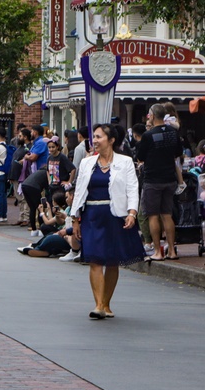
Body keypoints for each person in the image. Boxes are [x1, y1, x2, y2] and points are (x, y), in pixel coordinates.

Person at [71, 124, 143, 319]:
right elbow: (79, 191)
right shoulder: (87, 163)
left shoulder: (126, 162)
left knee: (112, 260)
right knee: (94, 258)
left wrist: (132, 213)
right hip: (92, 215)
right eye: (94, 137)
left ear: (111, 140)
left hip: (115, 215)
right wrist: (75, 218)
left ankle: (106, 303)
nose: (95, 140)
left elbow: (132, 189)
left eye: (99, 137)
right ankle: (98, 305)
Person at [137, 104, 184, 260]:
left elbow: (141, 156)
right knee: (167, 214)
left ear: (152, 116)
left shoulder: (148, 135)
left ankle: (158, 251)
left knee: (152, 215)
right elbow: (178, 153)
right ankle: (171, 250)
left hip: (153, 179)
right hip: (170, 178)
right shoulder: (173, 132)